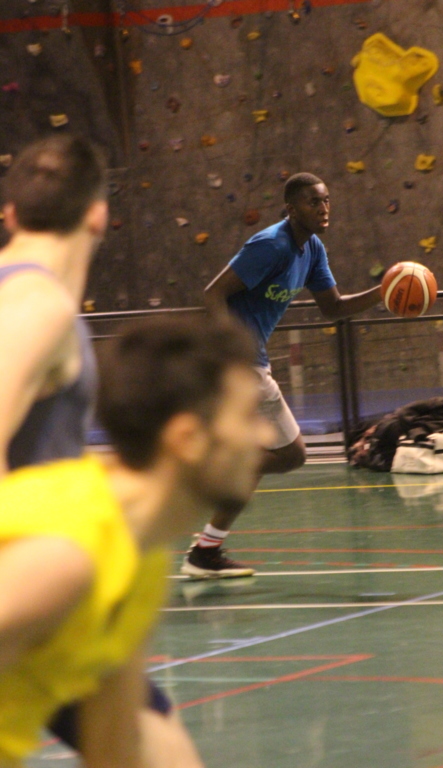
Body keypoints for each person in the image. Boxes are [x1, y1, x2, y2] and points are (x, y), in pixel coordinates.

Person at [0, 314, 273, 767]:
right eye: (247, 416)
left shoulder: (140, 556)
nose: (265, 435)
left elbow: (115, 746)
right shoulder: (65, 554)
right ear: (188, 439)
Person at [0, 135, 194, 763]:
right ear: (98, 214)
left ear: (11, 214)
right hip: (29, 592)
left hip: (56, 601)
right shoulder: (36, 305)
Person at [181, 172, 382, 579]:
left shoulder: (314, 249)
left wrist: (383, 292)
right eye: (313, 202)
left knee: (269, 457)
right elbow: (212, 293)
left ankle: (206, 550)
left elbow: (333, 308)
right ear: (291, 209)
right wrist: (230, 354)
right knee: (291, 454)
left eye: (326, 200)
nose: (323, 208)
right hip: (239, 362)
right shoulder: (270, 245)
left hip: (250, 361)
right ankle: (205, 481)